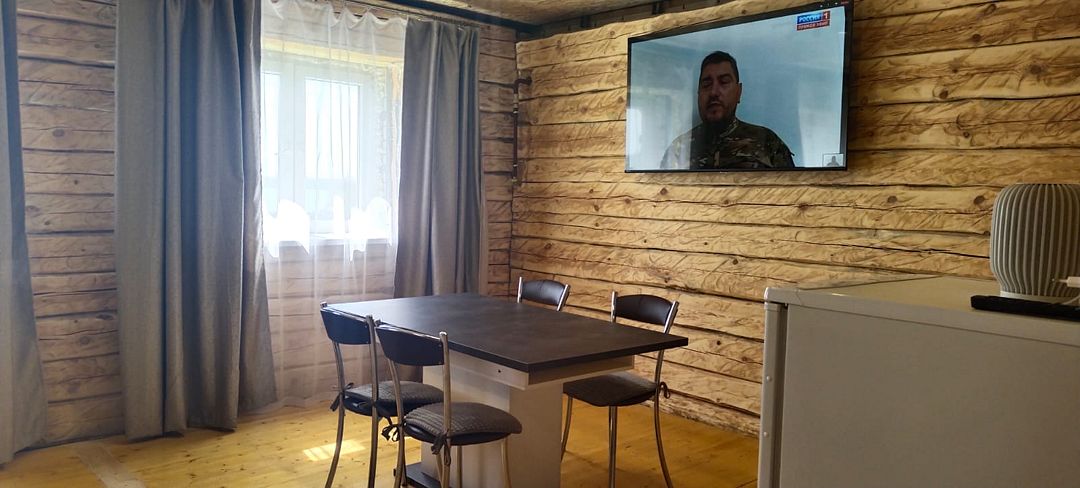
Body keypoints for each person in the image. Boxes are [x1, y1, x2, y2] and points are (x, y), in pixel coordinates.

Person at [660, 51, 794, 170]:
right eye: (706, 84)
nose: (714, 92)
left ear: (738, 92)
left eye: (724, 82)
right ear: (698, 93)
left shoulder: (768, 143)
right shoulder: (679, 150)